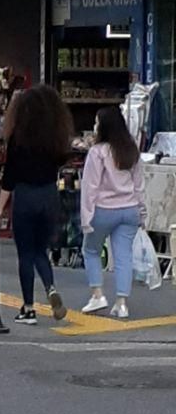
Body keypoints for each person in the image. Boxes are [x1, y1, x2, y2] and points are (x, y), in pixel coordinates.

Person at [0, 84, 72, 324]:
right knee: (41, 251)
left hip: (25, 196)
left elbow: (9, 178)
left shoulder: (18, 138)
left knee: (25, 254)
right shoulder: (55, 138)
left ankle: (28, 308)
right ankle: (51, 288)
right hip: (49, 195)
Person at [80, 105, 146, 319]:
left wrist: (86, 217)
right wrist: (142, 212)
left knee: (90, 250)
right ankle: (122, 302)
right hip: (129, 210)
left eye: (97, 123)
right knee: (123, 256)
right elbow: (139, 185)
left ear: (104, 127)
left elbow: (90, 187)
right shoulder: (131, 149)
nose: (94, 126)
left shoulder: (97, 152)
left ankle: (97, 294)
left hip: (103, 210)